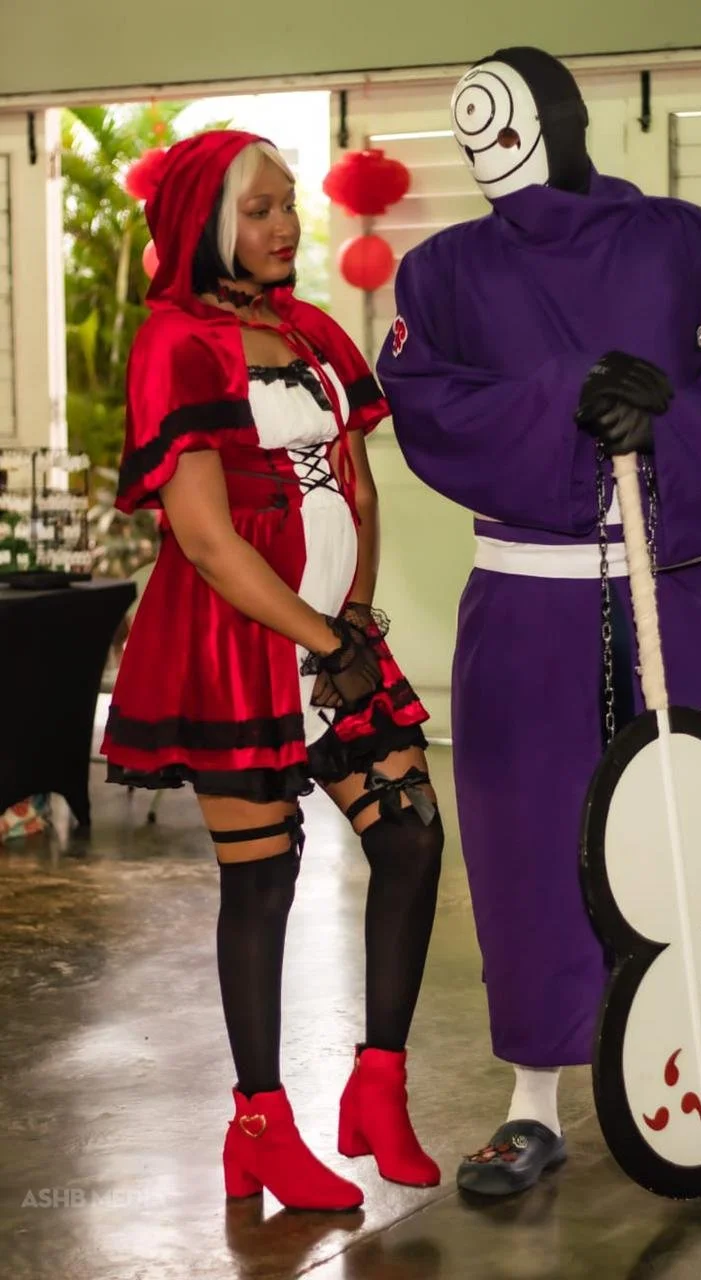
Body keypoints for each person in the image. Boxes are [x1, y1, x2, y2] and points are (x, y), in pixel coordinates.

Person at [376, 47, 701, 1196]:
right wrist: (563, 392)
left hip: (675, 585)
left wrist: (668, 417)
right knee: (530, 839)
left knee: (695, 827)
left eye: (505, 122)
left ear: (560, 120)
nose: (486, 146)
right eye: (467, 130)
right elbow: (427, 402)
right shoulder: (442, 272)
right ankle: (532, 1100)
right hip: (528, 597)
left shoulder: (682, 242)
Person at [102, 130, 443, 1211]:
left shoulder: (311, 329)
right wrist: (322, 638)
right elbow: (206, 539)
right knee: (264, 880)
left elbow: (358, 488)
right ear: (203, 221)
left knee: (412, 837)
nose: (286, 225)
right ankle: (259, 1127)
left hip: (338, 640)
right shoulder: (173, 344)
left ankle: (377, 1089)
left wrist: (355, 625)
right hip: (236, 650)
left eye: (289, 203)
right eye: (259, 208)